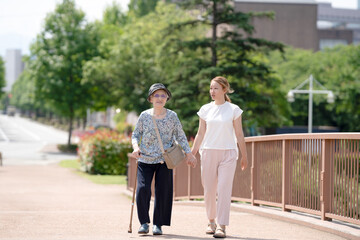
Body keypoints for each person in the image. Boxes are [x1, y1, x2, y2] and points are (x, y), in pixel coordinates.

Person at [131, 83, 197, 236]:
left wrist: (189, 153)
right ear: (150, 98)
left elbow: (180, 136)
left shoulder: (172, 116)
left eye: (163, 95)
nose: (159, 98)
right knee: (142, 190)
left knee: (163, 192)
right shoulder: (144, 116)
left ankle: (158, 225)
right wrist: (136, 147)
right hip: (145, 159)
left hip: (164, 160)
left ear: (167, 97)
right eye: (156, 95)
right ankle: (144, 222)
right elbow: (135, 135)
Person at [191, 76, 248, 238]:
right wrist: (192, 153)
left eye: (215, 88)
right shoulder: (205, 109)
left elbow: (239, 133)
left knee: (224, 189)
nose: (212, 91)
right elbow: (200, 133)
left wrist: (244, 156)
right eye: (210, 88)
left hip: (229, 153)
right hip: (208, 152)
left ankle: (221, 226)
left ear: (224, 90)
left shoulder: (234, 110)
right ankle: (211, 222)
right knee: (209, 190)